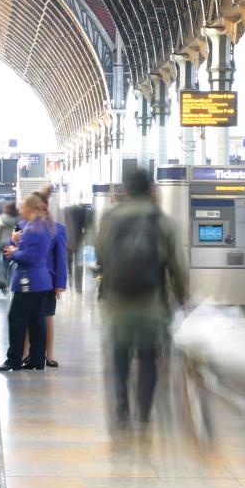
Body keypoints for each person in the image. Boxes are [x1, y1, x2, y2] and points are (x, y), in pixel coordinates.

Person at [95, 170, 189, 428]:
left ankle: (122, 407)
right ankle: (144, 412)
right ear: (150, 189)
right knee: (148, 357)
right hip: (152, 305)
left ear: (126, 189)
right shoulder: (162, 221)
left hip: (118, 304)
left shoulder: (110, 219)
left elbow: (100, 255)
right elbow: (178, 267)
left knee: (120, 355)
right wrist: (182, 298)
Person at [0, 194, 53, 372]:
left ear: (30, 209)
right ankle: (36, 360)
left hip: (29, 282)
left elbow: (29, 257)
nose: (20, 210)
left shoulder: (32, 228)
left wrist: (13, 252)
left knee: (16, 319)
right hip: (41, 282)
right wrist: (17, 244)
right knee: (36, 322)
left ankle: (13, 360)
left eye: (23, 207)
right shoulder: (41, 226)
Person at [21, 188, 67, 368]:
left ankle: (49, 354)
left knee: (47, 316)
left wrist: (60, 283)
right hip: (27, 279)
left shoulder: (58, 229)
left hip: (48, 280)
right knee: (26, 317)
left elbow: (61, 258)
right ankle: (24, 353)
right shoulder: (22, 226)